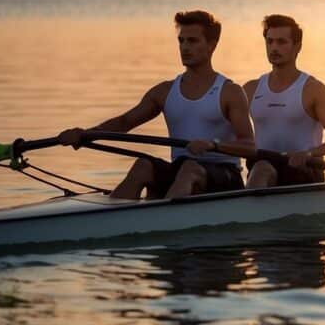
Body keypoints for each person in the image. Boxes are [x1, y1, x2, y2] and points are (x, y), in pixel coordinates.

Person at [58, 10, 254, 199]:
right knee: (143, 165)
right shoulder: (164, 91)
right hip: (182, 171)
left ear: (212, 45)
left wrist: (213, 145)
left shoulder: (230, 92)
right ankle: (108, 224)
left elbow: (249, 146)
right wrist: (84, 134)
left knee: (189, 169)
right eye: (181, 40)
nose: (184, 47)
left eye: (192, 41)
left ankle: (164, 221)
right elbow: (125, 122)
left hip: (224, 176)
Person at [242, 14, 325, 188]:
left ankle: (246, 211)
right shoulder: (250, 89)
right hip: (263, 170)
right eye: (270, 42)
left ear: (297, 47)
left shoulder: (313, 90)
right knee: (261, 167)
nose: (274, 48)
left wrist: (310, 153)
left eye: (281, 42)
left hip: (304, 171)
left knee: (261, 168)